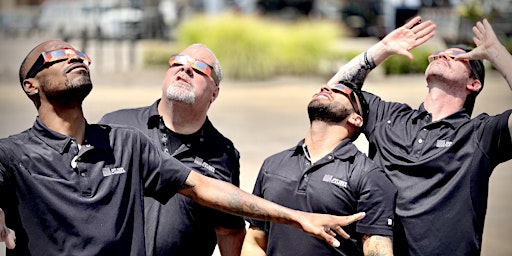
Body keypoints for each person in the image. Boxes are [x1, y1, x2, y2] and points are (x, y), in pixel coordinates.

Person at [0, 40, 367, 255]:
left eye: (80, 54)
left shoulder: (125, 144)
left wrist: (296, 216)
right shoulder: (11, 156)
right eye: (57, 57)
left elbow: (209, 192)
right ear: (31, 86)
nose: (75, 58)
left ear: (215, 92)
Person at [328, 16, 512, 255]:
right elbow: (332, 96)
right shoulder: (388, 115)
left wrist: (497, 54)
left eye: (457, 56)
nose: (442, 55)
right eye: (438, 54)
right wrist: (381, 50)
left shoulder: (480, 133)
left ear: (474, 84)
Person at [99, 44, 246, 256]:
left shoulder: (224, 154)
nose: (185, 69)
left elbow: (229, 231)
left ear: (214, 93)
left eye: (200, 68)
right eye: (178, 62)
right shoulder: (115, 125)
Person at [241, 82, 397, 256]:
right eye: (324, 87)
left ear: (356, 118)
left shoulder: (368, 175)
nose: (326, 88)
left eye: (340, 91)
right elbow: (254, 242)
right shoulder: (273, 165)